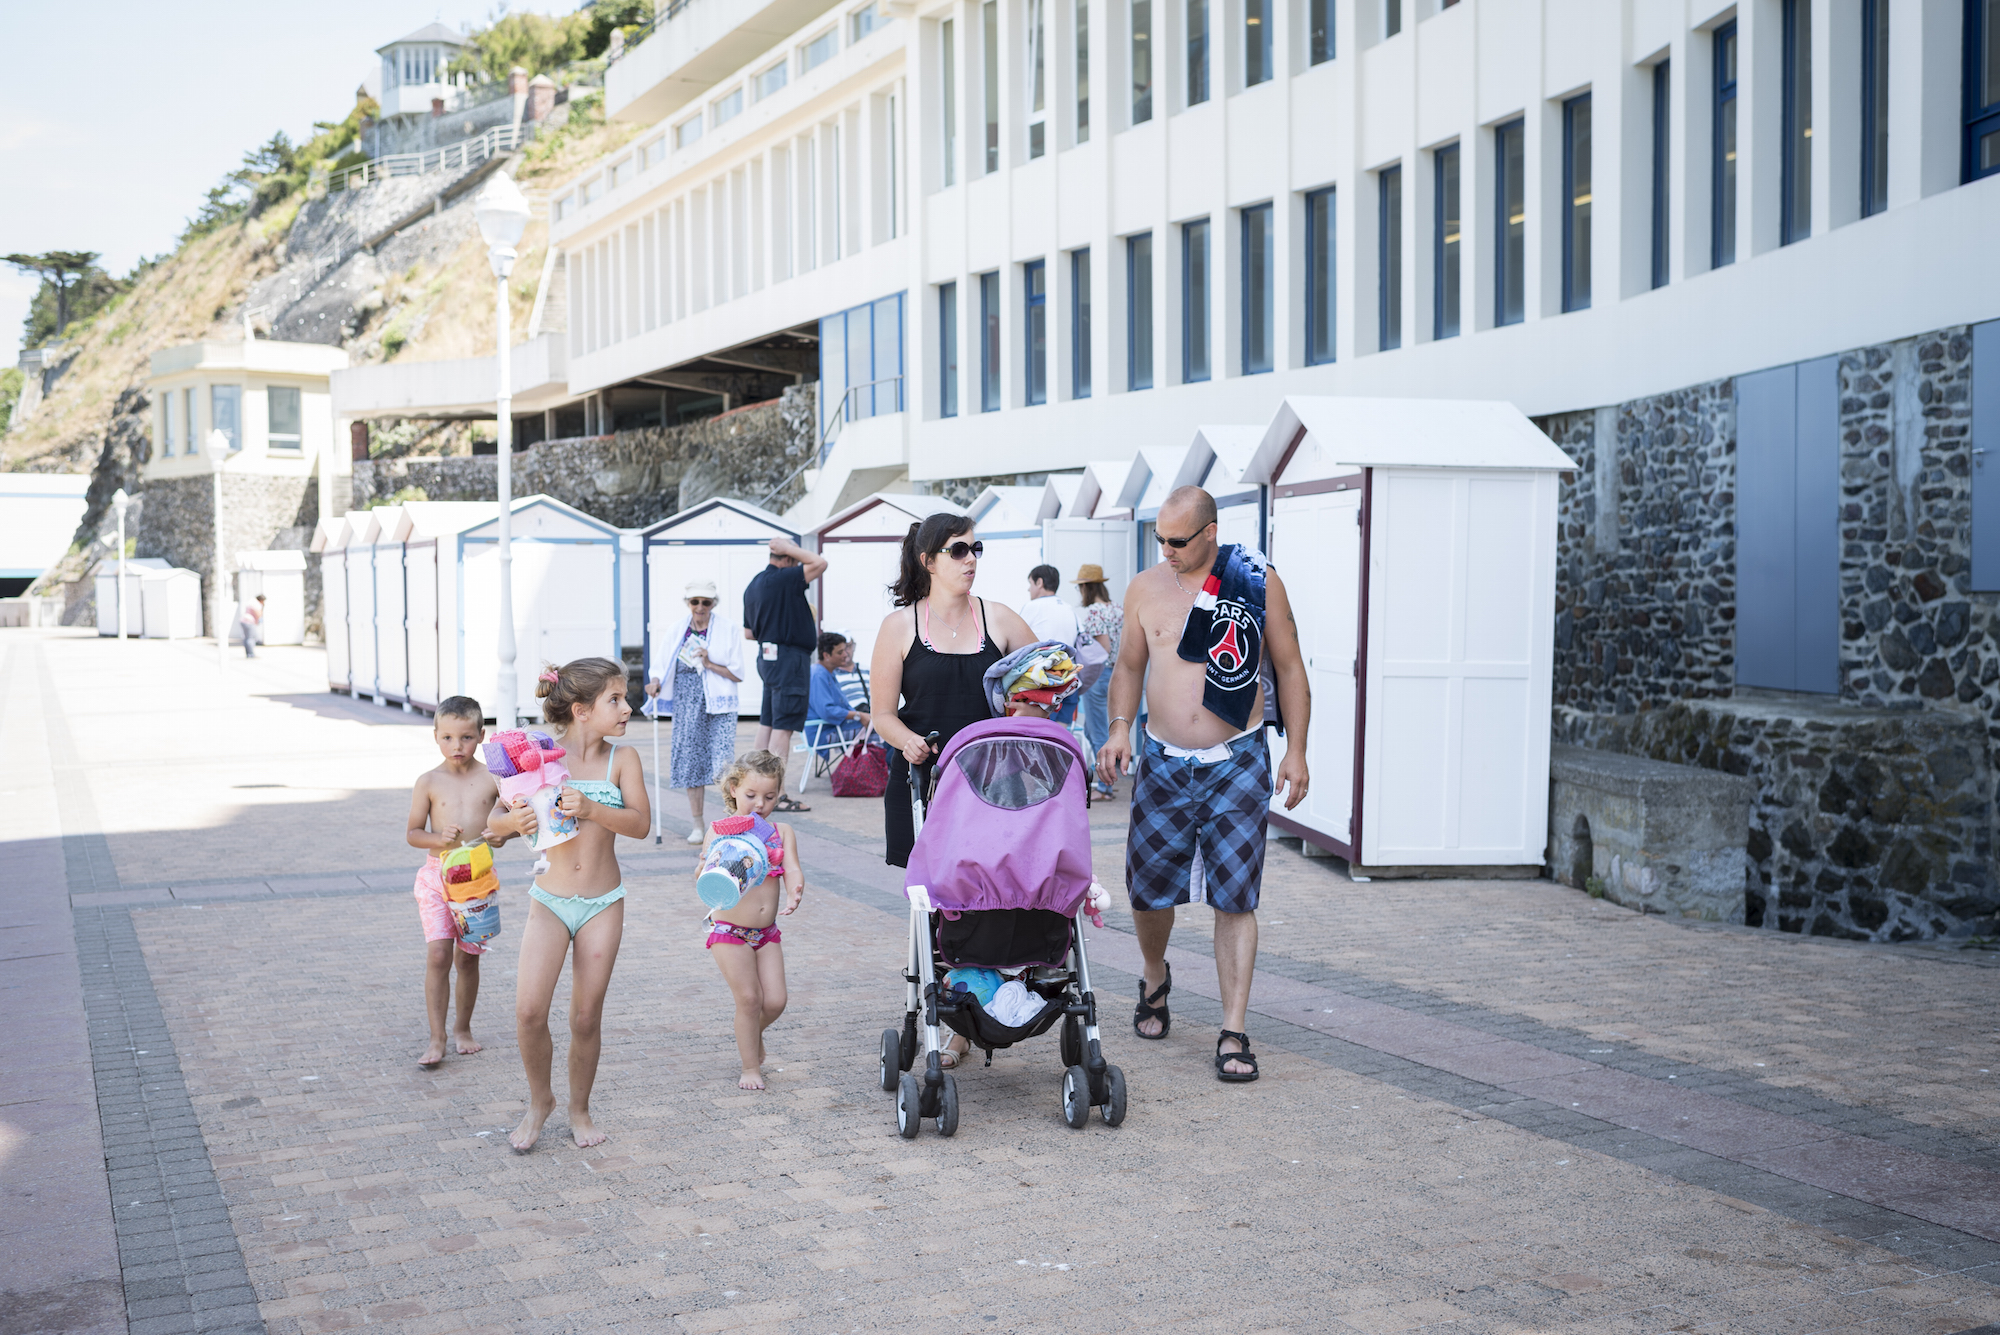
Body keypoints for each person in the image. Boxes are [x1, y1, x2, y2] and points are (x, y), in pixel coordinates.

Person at [1096, 486, 1310, 1084]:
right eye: (1159, 538)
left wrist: (1296, 750)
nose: (1166, 550)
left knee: (1236, 895)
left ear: (1211, 532)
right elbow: (1129, 668)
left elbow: (1290, 666)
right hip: (1163, 762)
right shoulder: (1144, 587)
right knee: (1147, 890)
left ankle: (1233, 1027)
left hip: (1238, 759)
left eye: (1178, 541)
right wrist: (1118, 730)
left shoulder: (1254, 581)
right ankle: (1155, 974)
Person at [869, 513, 1046, 1069]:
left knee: (993, 895)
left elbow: (1048, 676)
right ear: (928, 561)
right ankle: (950, 1011)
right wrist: (909, 741)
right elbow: (881, 714)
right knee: (940, 902)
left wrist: (1032, 700)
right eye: (957, 550)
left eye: (976, 549)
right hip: (926, 783)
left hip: (998, 787)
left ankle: (976, 1011)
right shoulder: (899, 628)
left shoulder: (999, 619)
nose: (970, 559)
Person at [491, 658, 652, 1151]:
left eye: (625, 698)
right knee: (528, 1012)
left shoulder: (621, 760)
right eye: (616, 700)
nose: (628, 707)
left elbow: (641, 825)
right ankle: (541, 1101)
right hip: (551, 901)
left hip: (603, 902)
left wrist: (594, 808)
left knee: (585, 1017)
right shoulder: (539, 756)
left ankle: (580, 1109)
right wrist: (511, 824)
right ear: (581, 710)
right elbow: (492, 828)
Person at [403, 696, 516, 1069]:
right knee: (438, 954)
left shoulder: (492, 779)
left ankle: (462, 1028)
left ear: (481, 736)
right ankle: (436, 1038)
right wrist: (439, 840)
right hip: (437, 876)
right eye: (448, 738)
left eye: (466, 738)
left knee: (467, 959)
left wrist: (504, 836)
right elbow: (413, 833)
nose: (457, 746)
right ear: (435, 736)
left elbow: (510, 823)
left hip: (477, 881)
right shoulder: (429, 781)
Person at [700, 750, 805, 1090]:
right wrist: (708, 867)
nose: (760, 804)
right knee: (748, 999)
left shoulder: (781, 831)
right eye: (751, 795)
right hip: (729, 931)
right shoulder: (719, 831)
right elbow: (704, 876)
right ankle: (750, 1067)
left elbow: (791, 867)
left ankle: (752, 1030)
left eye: (769, 796)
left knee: (775, 1001)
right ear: (733, 789)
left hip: (766, 933)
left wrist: (794, 890)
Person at [645, 579, 744, 844]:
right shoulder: (678, 630)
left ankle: (731, 818)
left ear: (714, 604)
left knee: (723, 762)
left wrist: (709, 662)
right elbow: (661, 665)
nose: (700, 607)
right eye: (695, 602)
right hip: (687, 703)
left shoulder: (728, 629)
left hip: (719, 704)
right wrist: (654, 682)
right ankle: (697, 823)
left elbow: (737, 673)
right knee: (690, 761)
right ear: (688, 603)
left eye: (706, 602)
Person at [741, 536, 828, 812]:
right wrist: (789, 547)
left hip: (767, 658)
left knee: (767, 723)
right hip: (790, 659)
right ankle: (776, 794)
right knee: (783, 727)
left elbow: (749, 632)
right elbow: (820, 563)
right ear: (788, 558)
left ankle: (753, 788)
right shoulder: (786, 579)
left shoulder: (754, 584)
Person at [1073, 565, 1123, 799]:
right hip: (1117, 674)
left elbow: (1103, 649)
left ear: (1086, 587)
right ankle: (1108, 781)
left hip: (1099, 675)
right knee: (1107, 728)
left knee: (1097, 732)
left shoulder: (1094, 612)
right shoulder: (1117, 609)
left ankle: (1105, 786)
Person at [1018, 564, 1083, 727]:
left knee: (1041, 740)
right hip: (1069, 683)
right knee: (1059, 738)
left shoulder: (1032, 607)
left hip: (1045, 686)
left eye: (1030, 584)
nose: (1028, 589)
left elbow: (1016, 644)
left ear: (1039, 582)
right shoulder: (1069, 609)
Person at [807, 631, 870, 749]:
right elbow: (827, 711)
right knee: (882, 732)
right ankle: (886, 767)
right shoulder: (818, 675)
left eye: (846, 650)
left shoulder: (828, 672)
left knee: (880, 727)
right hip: (824, 733)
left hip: (836, 727)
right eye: (840, 652)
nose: (846, 654)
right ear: (826, 655)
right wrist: (859, 715)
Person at [238, 593, 265, 658]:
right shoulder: (256, 604)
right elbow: (258, 614)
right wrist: (262, 607)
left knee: (247, 638)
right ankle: (251, 654)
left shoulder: (251, 602)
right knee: (251, 638)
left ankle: (248, 653)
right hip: (249, 622)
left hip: (244, 620)